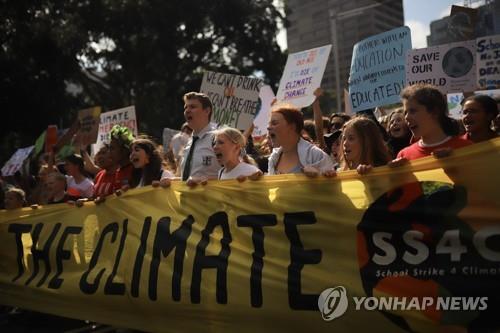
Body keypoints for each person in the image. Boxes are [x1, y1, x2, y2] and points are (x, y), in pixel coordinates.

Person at [396, 84, 472, 161]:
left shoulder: (466, 148)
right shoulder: (403, 156)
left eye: (413, 111)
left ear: (435, 112)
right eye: (405, 113)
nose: (406, 117)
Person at [267, 103, 334, 176]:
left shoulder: (316, 155)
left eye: (274, 123)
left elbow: (332, 185)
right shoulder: (273, 159)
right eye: (269, 124)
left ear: (292, 126)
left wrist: (318, 177)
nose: (268, 127)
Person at [179, 92, 219, 183]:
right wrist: (171, 181)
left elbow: (234, 174)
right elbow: (189, 179)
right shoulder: (188, 142)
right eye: (186, 107)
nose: (187, 110)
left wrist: (203, 181)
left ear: (207, 111)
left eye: (192, 107)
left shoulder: (219, 138)